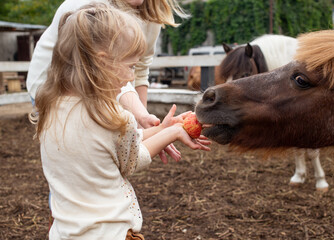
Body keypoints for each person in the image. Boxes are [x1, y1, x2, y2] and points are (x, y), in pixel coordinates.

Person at [30, 3, 210, 239]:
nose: (131, 77)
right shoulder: (110, 117)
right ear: (103, 62)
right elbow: (133, 158)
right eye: (130, 66)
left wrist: (165, 126)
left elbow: (116, 143)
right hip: (112, 232)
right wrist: (172, 133)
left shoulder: (51, 111)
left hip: (65, 233)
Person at [26, 0, 189, 164]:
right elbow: (132, 158)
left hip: (102, 87)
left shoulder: (151, 15)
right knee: (72, 162)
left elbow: (138, 69)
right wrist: (166, 133)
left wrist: (145, 122)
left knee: (82, 166)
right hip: (60, 86)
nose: (131, 77)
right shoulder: (89, 10)